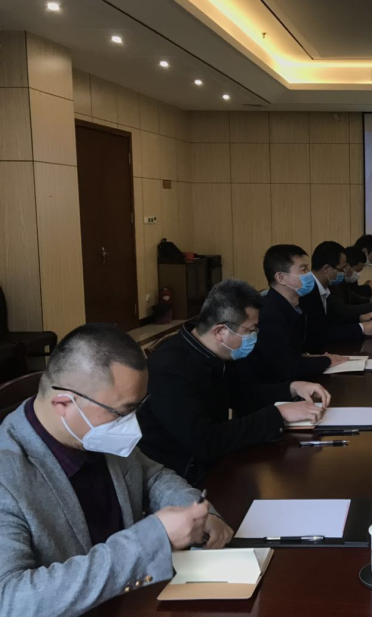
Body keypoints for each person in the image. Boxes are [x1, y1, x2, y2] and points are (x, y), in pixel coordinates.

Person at [0, 323, 233, 616]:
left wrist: (196, 512)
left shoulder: (91, 431)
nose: (132, 425)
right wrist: (151, 540)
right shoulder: (8, 475)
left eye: (137, 408)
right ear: (63, 403)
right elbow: (11, 600)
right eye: (122, 412)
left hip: (133, 601)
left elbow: (152, 476)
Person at [139, 279, 330, 484]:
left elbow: (243, 396)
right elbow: (207, 442)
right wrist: (278, 414)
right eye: (250, 330)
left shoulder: (217, 353)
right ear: (220, 332)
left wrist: (292, 387)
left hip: (214, 462)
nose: (255, 337)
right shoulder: (170, 369)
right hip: (179, 476)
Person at [246, 244, 349, 381]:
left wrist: (315, 358)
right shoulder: (269, 314)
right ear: (281, 278)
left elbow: (293, 354)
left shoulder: (294, 306)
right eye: (303, 269)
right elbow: (288, 368)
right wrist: (327, 360)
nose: (309, 274)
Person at [300, 241, 372, 354]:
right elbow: (320, 333)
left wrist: (360, 318)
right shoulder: (307, 293)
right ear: (326, 269)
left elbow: (333, 319)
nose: (345, 273)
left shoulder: (324, 289)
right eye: (342, 269)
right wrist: (361, 328)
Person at [332, 246, 372, 315]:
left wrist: (371, 300)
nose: (348, 270)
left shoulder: (341, 282)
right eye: (344, 267)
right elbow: (343, 310)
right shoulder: (333, 284)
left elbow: (353, 297)